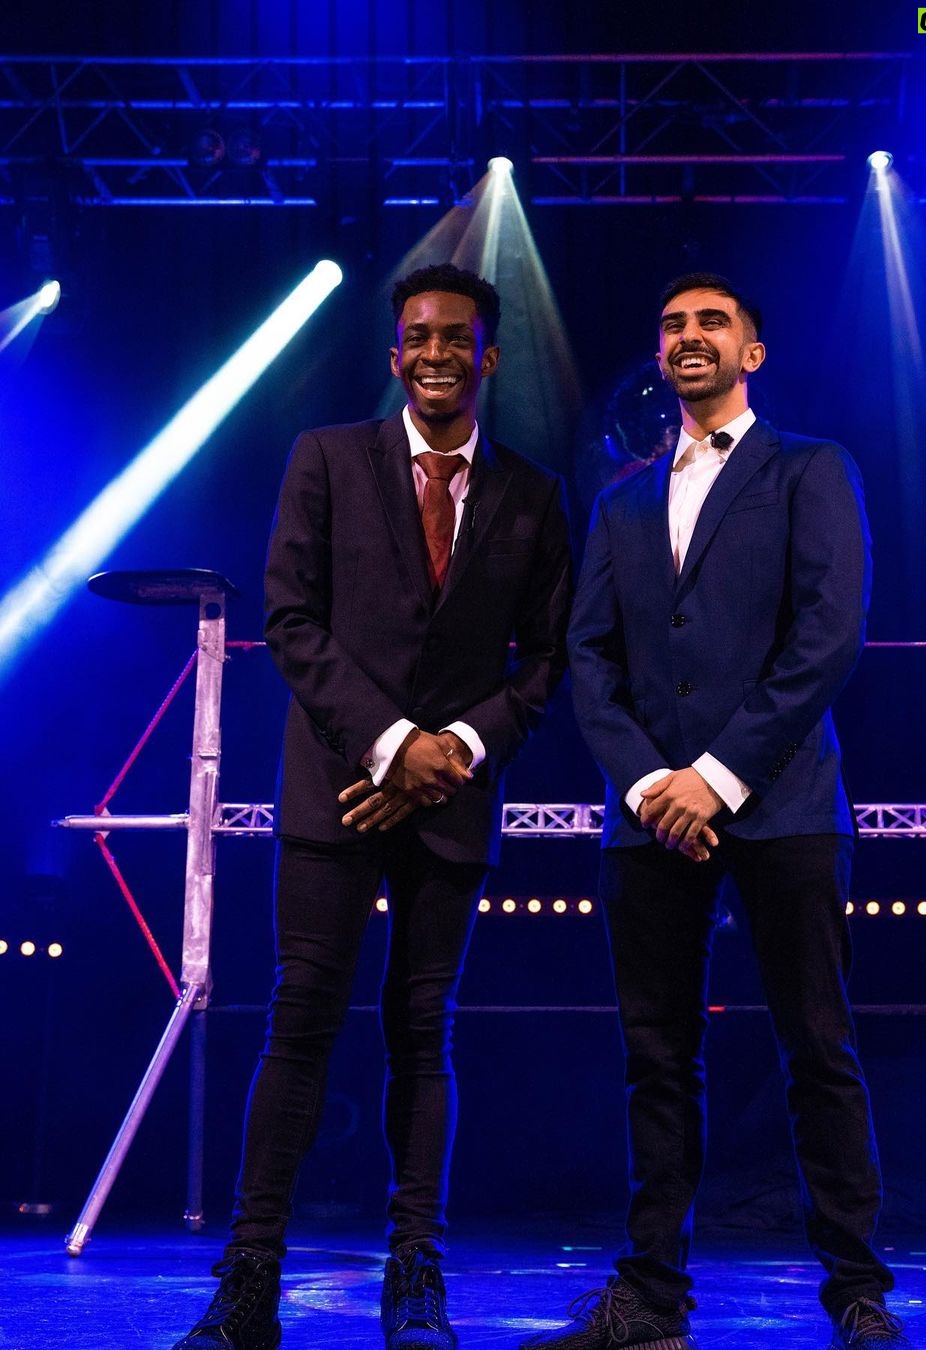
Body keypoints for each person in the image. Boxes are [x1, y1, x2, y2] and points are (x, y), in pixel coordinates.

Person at [174, 263, 572, 1350]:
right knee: (300, 1018)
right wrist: (394, 747)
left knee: (422, 1029)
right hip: (339, 788)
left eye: (457, 338)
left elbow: (548, 659)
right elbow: (291, 619)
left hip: (453, 795)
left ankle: (416, 1276)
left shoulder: (534, 494)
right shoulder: (327, 458)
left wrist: (457, 749)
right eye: (419, 336)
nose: (437, 353)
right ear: (396, 356)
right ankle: (249, 1280)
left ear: (489, 357)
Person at [524, 274, 906, 1350]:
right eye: (673, 325)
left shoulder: (811, 469)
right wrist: (654, 785)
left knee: (817, 1049)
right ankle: (651, 1301)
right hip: (650, 818)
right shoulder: (622, 503)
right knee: (656, 1060)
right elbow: (588, 658)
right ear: (660, 355)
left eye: (711, 323)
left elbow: (830, 635)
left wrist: (719, 776)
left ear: (752, 352)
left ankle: (858, 1296)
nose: (689, 336)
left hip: (784, 805)